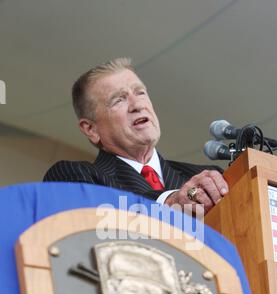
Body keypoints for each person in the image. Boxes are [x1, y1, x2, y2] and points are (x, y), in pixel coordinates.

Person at [43, 58, 228, 214]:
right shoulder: (73, 176)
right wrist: (169, 201)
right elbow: (98, 224)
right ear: (91, 129)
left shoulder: (208, 177)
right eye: (118, 100)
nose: (137, 104)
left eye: (140, 92)